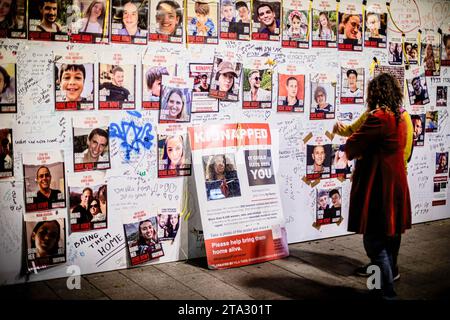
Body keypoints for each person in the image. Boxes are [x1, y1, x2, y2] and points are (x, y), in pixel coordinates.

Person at [344, 72, 412, 299]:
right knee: (391, 238)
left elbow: (353, 145)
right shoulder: (402, 117)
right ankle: (378, 288)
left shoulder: (379, 117)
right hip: (396, 186)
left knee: (374, 243)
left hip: (379, 187)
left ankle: (385, 294)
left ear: (375, 93)